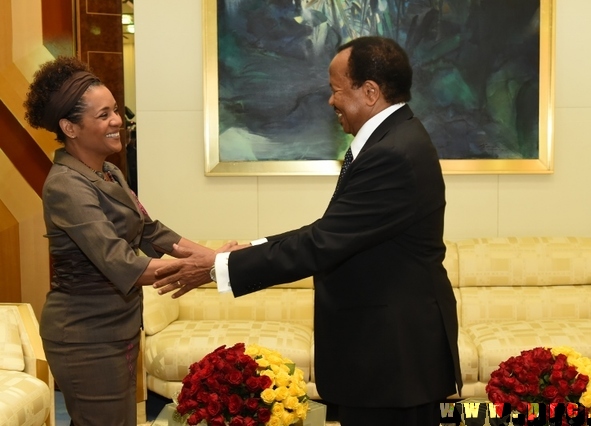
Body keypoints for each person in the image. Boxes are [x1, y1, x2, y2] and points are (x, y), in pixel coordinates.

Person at [154, 36, 462, 426]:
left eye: (336, 90)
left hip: (392, 355)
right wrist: (250, 249)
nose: (331, 101)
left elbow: (322, 243)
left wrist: (219, 266)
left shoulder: (394, 152)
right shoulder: (393, 140)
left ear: (369, 92)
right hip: (383, 352)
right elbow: (335, 230)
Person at [23, 56, 234, 426]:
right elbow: (119, 261)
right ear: (70, 128)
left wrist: (216, 258)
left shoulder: (107, 172)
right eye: (103, 115)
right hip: (85, 335)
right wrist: (205, 268)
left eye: (115, 111)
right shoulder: (66, 186)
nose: (117, 121)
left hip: (118, 325)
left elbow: (151, 232)